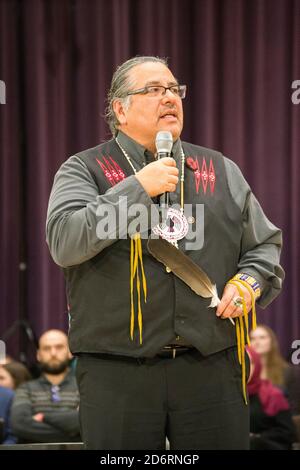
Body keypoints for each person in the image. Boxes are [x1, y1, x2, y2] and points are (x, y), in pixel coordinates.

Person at [46, 56, 284, 450]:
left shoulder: (220, 169)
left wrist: (248, 283)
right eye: (154, 90)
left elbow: (264, 246)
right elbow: (66, 241)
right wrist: (137, 188)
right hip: (117, 372)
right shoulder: (84, 169)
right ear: (120, 109)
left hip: (212, 365)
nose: (170, 97)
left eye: (174, 89)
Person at [10, 329, 80, 443]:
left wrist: (43, 417)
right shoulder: (25, 389)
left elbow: (87, 424)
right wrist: (74, 434)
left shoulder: (82, 387)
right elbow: (20, 424)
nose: (53, 353)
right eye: (47, 348)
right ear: (38, 355)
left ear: (70, 352)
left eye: (59, 347)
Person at [246, 346, 295, 450]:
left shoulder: (274, 395)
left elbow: (286, 432)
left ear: (257, 365)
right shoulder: (226, 399)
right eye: (241, 364)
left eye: (250, 362)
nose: (246, 368)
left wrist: (256, 439)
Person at [250, 324, 300, 415]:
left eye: (262, 337)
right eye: (252, 338)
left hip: (281, 425)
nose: (257, 342)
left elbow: (294, 410)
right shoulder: (244, 374)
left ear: (271, 342)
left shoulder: (290, 372)